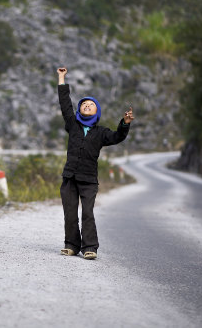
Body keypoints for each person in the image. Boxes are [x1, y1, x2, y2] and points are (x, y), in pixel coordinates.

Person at [57, 67, 133, 260]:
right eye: (84, 104)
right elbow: (65, 105)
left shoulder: (101, 132)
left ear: (97, 111)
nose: (87, 106)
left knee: (88, 213)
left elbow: (117, 137)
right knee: (70, 213)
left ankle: (90, 247)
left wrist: (124, 123)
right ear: (80, 110)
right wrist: (61, 78)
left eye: (91, 105)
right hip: (70, 178)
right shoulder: (72, 125)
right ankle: (71, 245)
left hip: (89, 180)